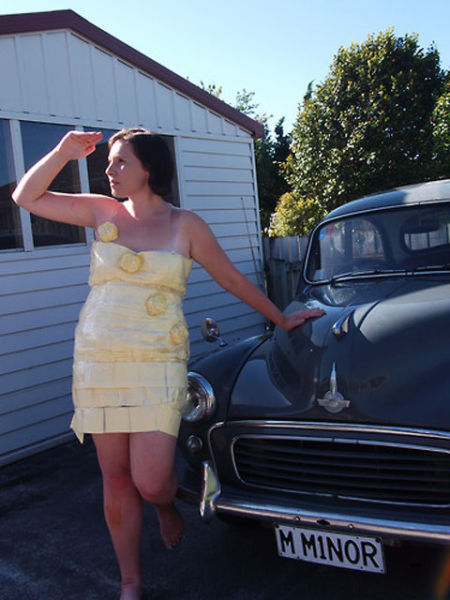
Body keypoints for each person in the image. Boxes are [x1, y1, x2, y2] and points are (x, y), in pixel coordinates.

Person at [12, 128, 325, 600]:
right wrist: (63, 151)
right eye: (110, 162)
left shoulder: (186, 225)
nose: (109, 170)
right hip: (100, 359)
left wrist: (281, 317)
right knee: (115, 476)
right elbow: (25, 196)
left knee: (152, 479)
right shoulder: (101, 210)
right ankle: (131, 581)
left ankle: (164, 505)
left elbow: (231, 278)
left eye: (120, 162)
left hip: (158, 360)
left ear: (150, 169)